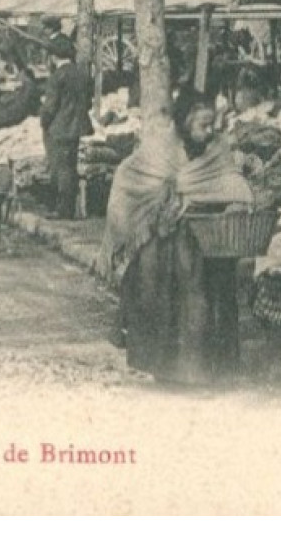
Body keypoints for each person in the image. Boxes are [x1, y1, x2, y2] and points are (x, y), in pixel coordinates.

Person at [100, 89, 252, 385]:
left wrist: (234, 198)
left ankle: (203, 371)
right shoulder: (161, 150)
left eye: (211, 125)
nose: (209, 132)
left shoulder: (217, 149)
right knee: (165, 304)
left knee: (204, 305)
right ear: (184, 122)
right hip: (166, 243)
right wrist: (166, 202)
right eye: (202, 126)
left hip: (208, 239)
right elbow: (129, 176)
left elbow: (232, 181)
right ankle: (166, 371)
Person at [39, 37, 93, 220]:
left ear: (55, 56)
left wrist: (44, 122)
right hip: (78, 127)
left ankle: (63, 209)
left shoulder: (57, 77)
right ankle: (70, 206)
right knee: (71, 166)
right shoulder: (82, 74)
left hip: (59, 127)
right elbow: (88, 102)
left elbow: (50, 107)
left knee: (60, 168)